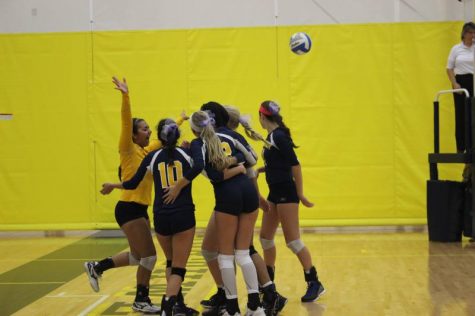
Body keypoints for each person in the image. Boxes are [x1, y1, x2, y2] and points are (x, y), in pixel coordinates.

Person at [83, 77, 186, 313]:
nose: (149, 131)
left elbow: (163, 139)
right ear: (134, 134)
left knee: (137, 257)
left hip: (138, 210)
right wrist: (125, 96)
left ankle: (97, 267)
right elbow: (125, 123)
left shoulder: (145, 151)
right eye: (144, 128)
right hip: (129, 209)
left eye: (149, 128)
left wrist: (180, 120)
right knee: (149, 258)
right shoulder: (128, 149)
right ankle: (141, 299)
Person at [164, 109, 265, 316]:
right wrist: (237, 165)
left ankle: (233, 309)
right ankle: (256, 307)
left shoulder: (197, 145)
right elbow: (252, 159)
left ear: (193, 130)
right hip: (248, 192)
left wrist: (225, 167)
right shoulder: (229, 134)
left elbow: (215, 177)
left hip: (228, 197)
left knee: (226, 258)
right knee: (244, 253)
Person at [100, 119, 197, 315]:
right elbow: (206, 169)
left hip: (160, 216)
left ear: (159, 137)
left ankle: (171, 304)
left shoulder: (151, 156)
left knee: (166, 260)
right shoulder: (188, 155)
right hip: (182, 214)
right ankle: (169, 306)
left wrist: (113, 185)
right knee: (176, 266)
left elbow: (132, 183)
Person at [257, 100, 325, 302]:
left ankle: (314, 282)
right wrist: (263, 169)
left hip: (287, 193)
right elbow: (278, 163)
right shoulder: (272, 136)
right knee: (265, 238)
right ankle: (269, 284)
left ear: (262, 117)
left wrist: (301, 193)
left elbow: (295, 166)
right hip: (274, 193)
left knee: (293, 241)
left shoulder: (278, 136)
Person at [447, 22, 475, 154]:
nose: (473, 35)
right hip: (461, 82)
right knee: (461, 114)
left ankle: (472, 146)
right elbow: (449, 68)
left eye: (474, 33)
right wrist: (454, 84)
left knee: (472, 114)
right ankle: (461, 147)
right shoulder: (456, 49)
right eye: (470, 32)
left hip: (473, 80)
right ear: (464, 34)